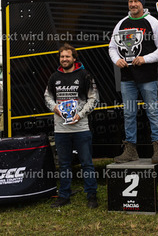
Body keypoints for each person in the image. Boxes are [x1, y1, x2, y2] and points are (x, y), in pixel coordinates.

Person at [109, 0, 158, 164]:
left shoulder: (152, 22)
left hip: (148, 77)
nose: (133, 4)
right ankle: (130, 150)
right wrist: (117, 60)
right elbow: (112, 47)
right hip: (127, 78)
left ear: (142, 3)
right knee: (129, 113)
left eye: (136, 1)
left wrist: (145, 59)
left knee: (153, 112)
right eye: (130, 1)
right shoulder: (121, 23)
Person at [44, 44, 99, 209]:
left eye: (67, 56)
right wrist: (55, 108)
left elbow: (94, 98)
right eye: (62, 57)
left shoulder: (85, 75)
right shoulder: (54, 77)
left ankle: (92, 195)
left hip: (81, 127)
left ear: (74, 58)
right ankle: (64, 195)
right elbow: (47, 97)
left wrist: (79, 115)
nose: (64, 59)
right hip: (61, 129)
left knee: (86, 163)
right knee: (64, 164)